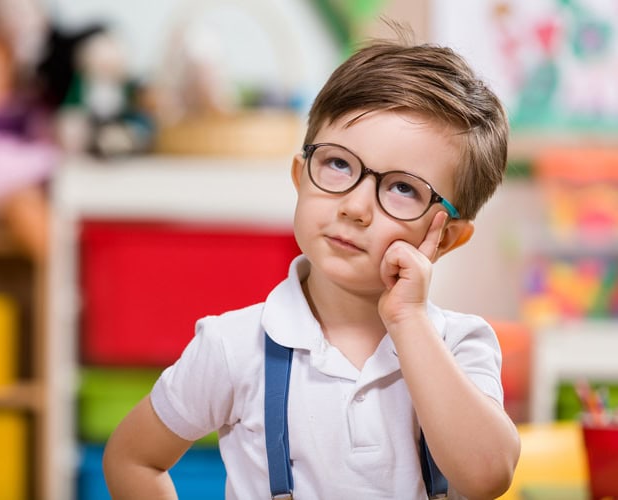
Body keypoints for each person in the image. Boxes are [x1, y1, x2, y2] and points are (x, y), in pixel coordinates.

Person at [102, 32, 520, 500]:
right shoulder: (234, 347)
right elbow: (132, 458)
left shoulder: (461, 346)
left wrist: (408, 319)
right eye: (339, 164)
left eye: (403, 188)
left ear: (445, 236)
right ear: (301, 177)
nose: (356, 206)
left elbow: (488, 477)